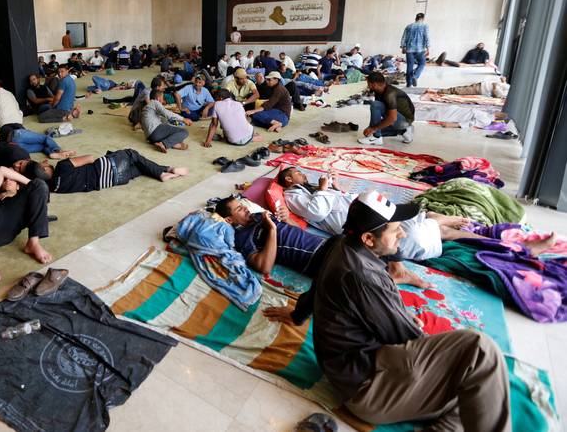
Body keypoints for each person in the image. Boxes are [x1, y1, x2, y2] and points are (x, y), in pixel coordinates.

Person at [273, 191, 510, 431]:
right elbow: (405, 337)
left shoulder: (341, 243)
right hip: (369, 388)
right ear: (368, 239)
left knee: (477, 392)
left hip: (358, 368)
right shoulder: (363, 277)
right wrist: (436, 350)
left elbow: (317, 287)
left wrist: (296, 315)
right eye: (395, 229)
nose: (403, 233)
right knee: (479, 351)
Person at [277, 167, 494, 265]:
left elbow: (334, 200)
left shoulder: (310, 188)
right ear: (288, 179)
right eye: (297, 172)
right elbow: (316, 211)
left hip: (372, 210)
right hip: (367, 220)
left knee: (421, 221)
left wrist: (334, 186)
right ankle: (437, 220)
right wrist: (324, 189)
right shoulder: (293, 195)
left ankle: (435, 218)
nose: (304, 174)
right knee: (436, 232)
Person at [214, 196, 329, 276]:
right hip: (315, 258)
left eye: (242, 205)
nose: (245, 208)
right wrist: (272, 230)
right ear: (229, 219)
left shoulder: (258, 216)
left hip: (324, 242)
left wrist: (286, 218)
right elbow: (264, 267)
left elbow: (298, 230)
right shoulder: (241, 237)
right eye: (239, 209)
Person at [40, 149, 188, 193]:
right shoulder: (61, 167)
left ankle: (164, 171)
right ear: (44, 170)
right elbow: (90, 157)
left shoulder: (53, 188)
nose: (46, 163)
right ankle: (166, 170)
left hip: (114, 181)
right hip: (105, 168)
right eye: (43, 165)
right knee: (132, 154)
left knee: (141, 168)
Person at [359, 72, 415, 145]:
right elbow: (379, 112)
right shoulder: (379, 90)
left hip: (404, 120)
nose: (368, 86)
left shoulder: (390, 94)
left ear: (374, 84)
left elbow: (392, 118)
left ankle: (376, 137)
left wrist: (374, 129)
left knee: (375, 105)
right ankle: (404, 131)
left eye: (368, 84)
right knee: (369, 132)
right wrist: (371, 128)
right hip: (397, 118)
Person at [0, 123, 75, 158]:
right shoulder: (7, 126)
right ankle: (59, 150)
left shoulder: (2, 134)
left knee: (42, 147)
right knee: (45, 138)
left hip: (15, 146)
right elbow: (19, 127)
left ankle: (51, 153)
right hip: (17, 134)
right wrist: (28, 132)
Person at [401, 12, 430, 87]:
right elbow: (427, 37)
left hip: (409, 50)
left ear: (416, 18)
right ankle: (415, 76)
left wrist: (403, 47)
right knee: (422, 63)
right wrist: (428, 48)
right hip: (420, 50)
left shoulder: (409, 26)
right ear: (423, 18)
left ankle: (408, 84)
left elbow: (403, 37)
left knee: (409, 66)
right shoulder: (425, 26)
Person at [428, 76, 510, 99]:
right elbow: (502, 85)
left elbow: (498, 94)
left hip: (481, 89)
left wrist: (496, 85)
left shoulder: (506, 95)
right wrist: (503, 81)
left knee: (459, 91)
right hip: (482, 84)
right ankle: (437, 91)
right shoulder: (509, 88)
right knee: (459, 88)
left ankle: (436, 91)